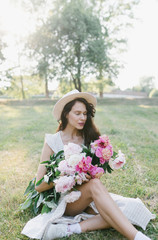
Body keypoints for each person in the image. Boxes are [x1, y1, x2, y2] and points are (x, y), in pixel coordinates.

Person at [22, 89, 155, 240]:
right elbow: (39, 186)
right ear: (66, 114)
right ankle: (138, 237)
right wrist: (67, 176)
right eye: (77, 113)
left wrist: (95, 172)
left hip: (86, 197)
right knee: (99, 190)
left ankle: (70, 228)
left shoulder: (89, 139)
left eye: (85, 114)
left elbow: (93, 174)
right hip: (65, 200)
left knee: (127, 209)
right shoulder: (52, 141)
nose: (82, 118)